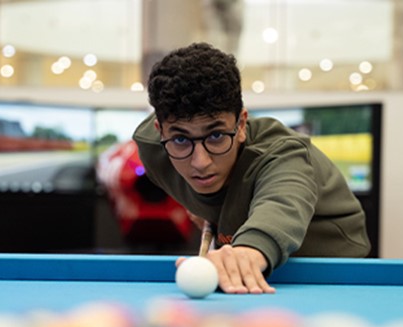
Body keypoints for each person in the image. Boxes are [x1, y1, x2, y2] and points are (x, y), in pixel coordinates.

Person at [132, 42, 370, 295]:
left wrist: (248, 251)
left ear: (242, 124)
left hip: (330, 270)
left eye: (216, 136)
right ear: (160, 132)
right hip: (241, 258)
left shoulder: (282, 152)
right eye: (181, 139)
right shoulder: (153, 148)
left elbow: (282, 203)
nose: (200, 162)